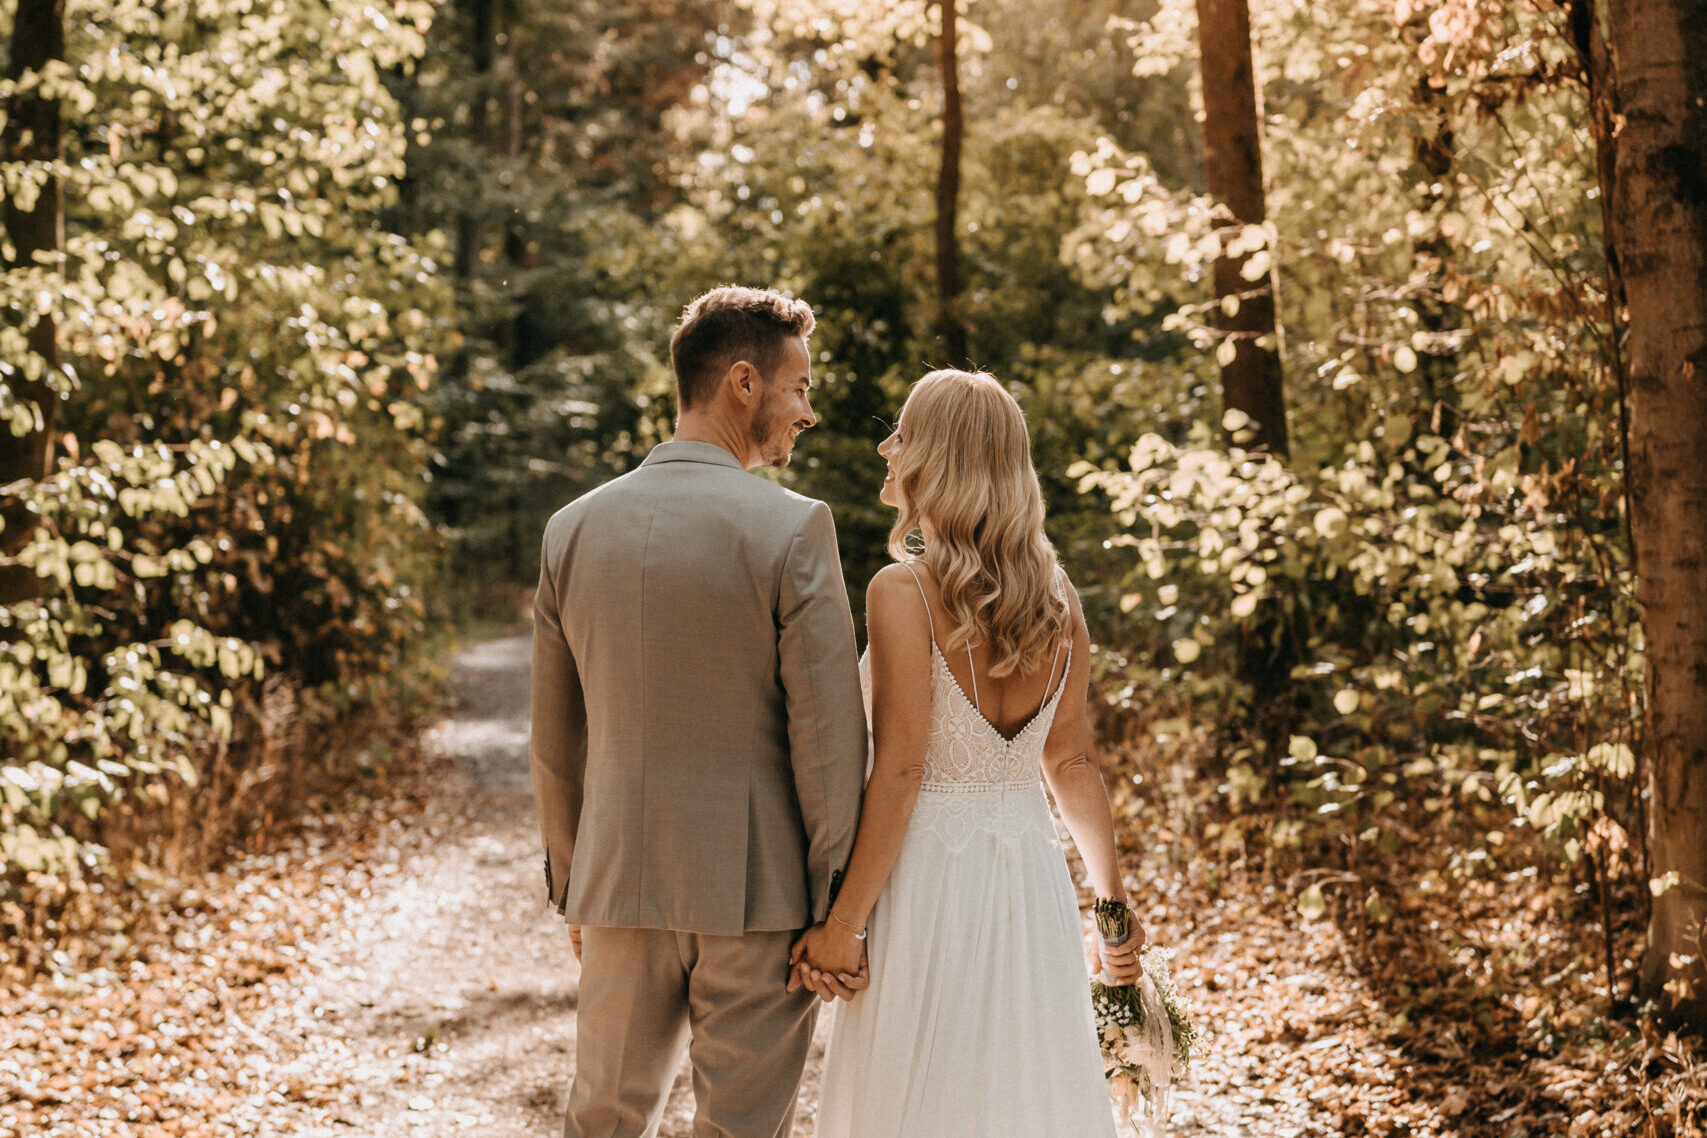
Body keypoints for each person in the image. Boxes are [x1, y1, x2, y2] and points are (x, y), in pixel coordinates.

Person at [529, 285, 869, 1138]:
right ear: (742, 384)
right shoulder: (793, 529)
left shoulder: (571, 529)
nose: (808, 411)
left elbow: (553, 739)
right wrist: (835, 901)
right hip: (760, 897)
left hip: (615, 886)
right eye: (798, 387)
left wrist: (576, 884)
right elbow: (826, 737)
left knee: (601, 1120)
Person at [793, 368, 1145, 1137]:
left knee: (919, 1096)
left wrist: (843, 926)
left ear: (938, 458)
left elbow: (903, 769)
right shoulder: (1058, 597)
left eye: (905, 432)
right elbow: (1072, 762)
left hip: (927, 880)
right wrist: (1110, 907)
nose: (889, 446)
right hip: (1028, 877)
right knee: (1017, 1093)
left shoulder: (903, 591)